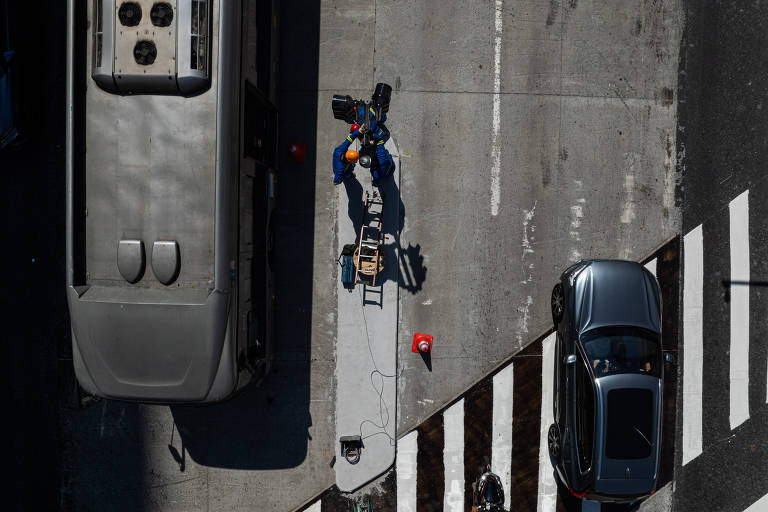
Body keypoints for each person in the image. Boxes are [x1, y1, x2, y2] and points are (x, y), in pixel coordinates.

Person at [332, 114, 395, 186]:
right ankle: (348, 175)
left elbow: (349, 140)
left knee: (380, 173)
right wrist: (375, 138)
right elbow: (336, 182)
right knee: (348, 172)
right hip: (341, 170)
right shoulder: (340, 169)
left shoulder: (340, 150)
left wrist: (358, 132)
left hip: (389, 168)